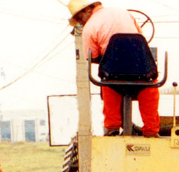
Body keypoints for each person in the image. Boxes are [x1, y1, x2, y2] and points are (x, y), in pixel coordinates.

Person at [68, 0, 160, 137]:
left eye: (80, 19)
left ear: (88, 9)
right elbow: (140, 39)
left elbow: (92, 56)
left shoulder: (89, 27)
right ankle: (152, 130)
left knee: (108, 85)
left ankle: (112, 128)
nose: (81, 23)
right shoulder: (124, 13)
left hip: (114, 74)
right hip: (142, 68)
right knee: (149, 89)